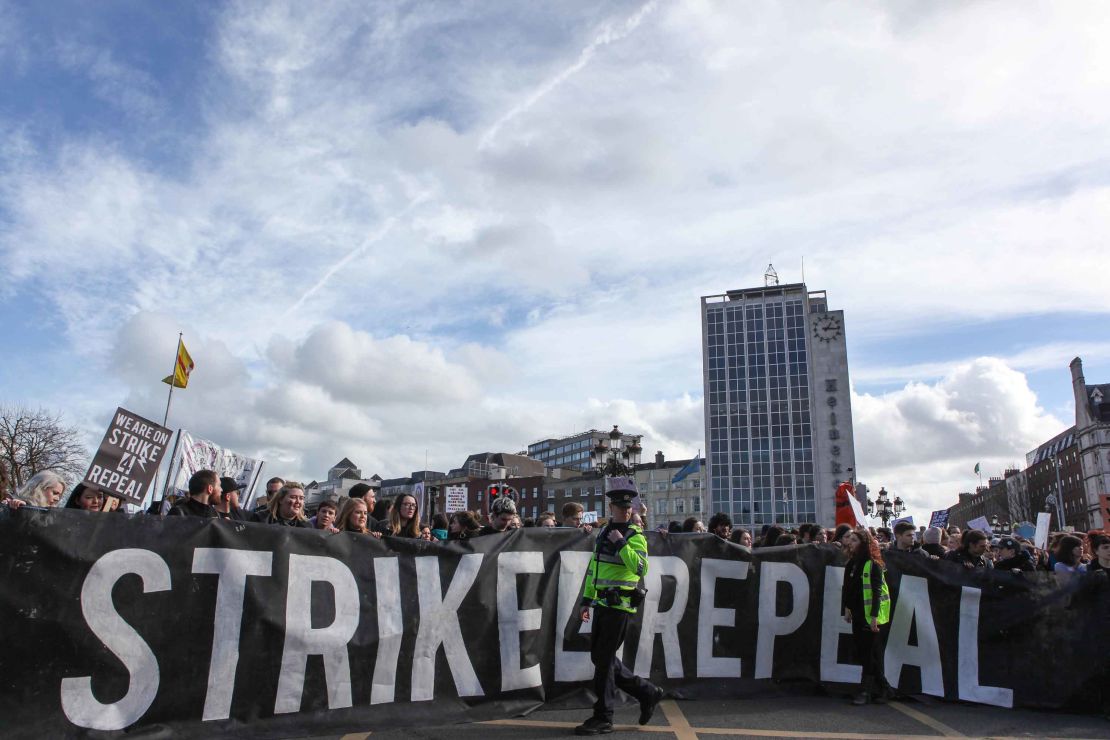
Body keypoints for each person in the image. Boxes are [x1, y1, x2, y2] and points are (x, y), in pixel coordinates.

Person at [575, 477, 663, 736]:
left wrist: (621, 544)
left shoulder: (635, 535)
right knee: (600, 658)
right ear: (611, 508)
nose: (626, 511)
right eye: (620, 507)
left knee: (603, 661)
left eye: (628, 508)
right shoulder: (603, 532)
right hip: (602, 603)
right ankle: (647, 691)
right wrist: (586, 599)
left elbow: (641, 567)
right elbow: (594, 569)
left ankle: (603, 716)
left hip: (620, 606)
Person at [841, 527, 893, 705]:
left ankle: (866, 691)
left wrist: (873, 617)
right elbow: (847, 588)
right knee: (864, 653)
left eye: (854, 540)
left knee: (870, 655)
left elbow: (877, 591)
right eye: (850, 539)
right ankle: (884, 688)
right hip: (857, 614)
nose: (850, 543)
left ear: (864, 543)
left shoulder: (873, 564)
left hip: (871, 616)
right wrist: (846, 608)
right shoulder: (851, 563)